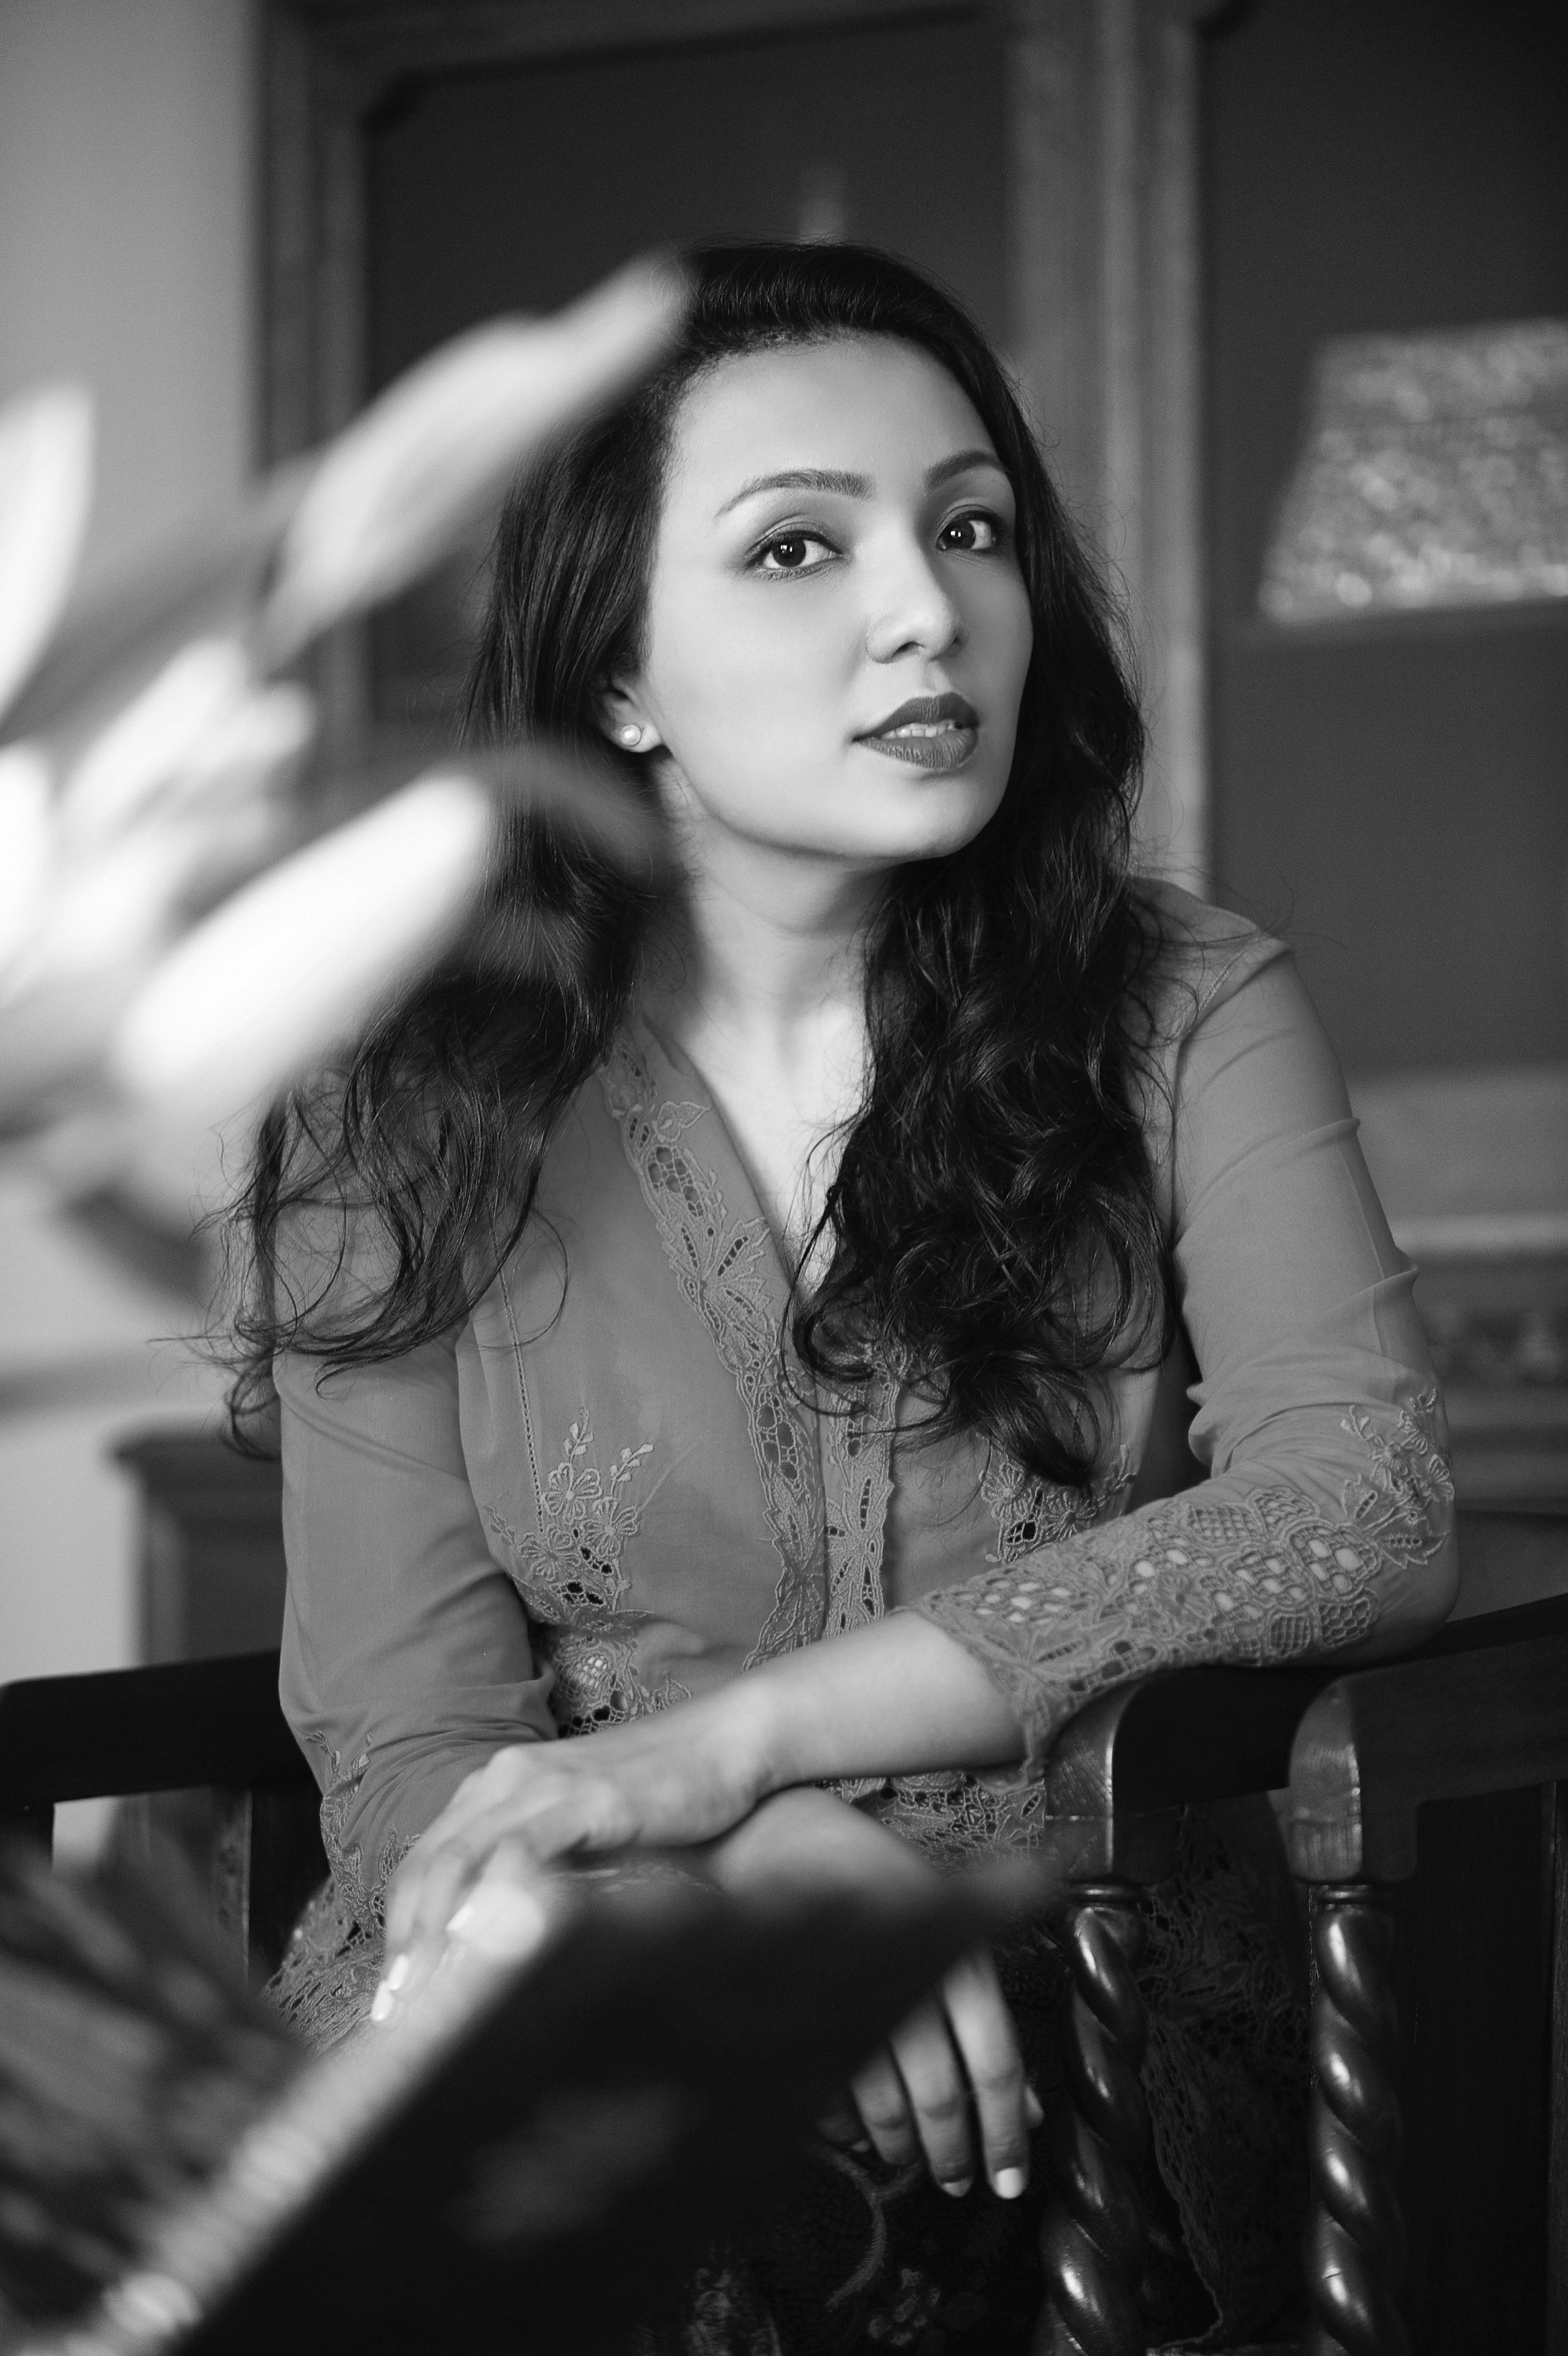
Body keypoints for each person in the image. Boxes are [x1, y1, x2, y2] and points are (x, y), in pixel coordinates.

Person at [232, 242, 1456, 2351]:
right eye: (799, 546)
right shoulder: (398, 1099)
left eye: (970, 528)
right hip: (563, 1952)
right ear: (618, 676)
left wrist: (731, 1754)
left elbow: (1362, 1502)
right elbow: (406, 1734)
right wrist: (741, 1860)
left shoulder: (1187, 1004)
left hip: (1069, 1954)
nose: (930, 609)